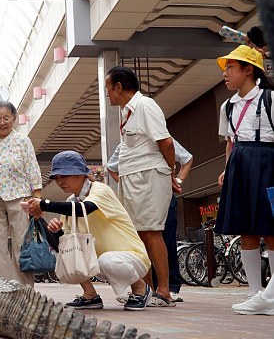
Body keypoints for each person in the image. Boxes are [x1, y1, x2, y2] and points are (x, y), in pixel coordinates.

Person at [28, 151, 152, 311]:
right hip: (98, 263)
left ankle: (140, 288)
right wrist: (48, 225)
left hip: (131, 257)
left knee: (108, 260)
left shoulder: (100, 190)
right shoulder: (71, 202)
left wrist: (44, 203)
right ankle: (90, 295)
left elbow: (84, 209)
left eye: (64, 175)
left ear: (81, 174)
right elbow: (64, 245)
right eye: (56, 177)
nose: (60, 181)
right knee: (71, 252)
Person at [104, 66, 177, 307]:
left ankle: (164, 291)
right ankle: (147, 289)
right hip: (132, 177)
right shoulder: (127, 111)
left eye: (108, 88)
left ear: (119, 87)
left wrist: (169, 171)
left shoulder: (145, 105)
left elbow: (166, 142)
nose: (107, 94)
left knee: (151, 231)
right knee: (136, 235)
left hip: (149, 176)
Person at [213, 45, 274, 315]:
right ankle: (254, 293)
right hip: (240, 163)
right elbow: (230, 141)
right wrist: (228, 169)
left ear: (248, 70)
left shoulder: (271, 99)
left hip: (269, 162)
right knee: (246, 230)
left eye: (231, 68)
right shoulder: (228, 106)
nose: (225, 74)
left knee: (271, 229)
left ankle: (270, 297)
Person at [107, 138, 193, 303]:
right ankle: (148, 289)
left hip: (161, 192)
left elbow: (187, 158)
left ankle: (170, 287)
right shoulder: (124, 143)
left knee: (165, 238)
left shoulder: (161, 136)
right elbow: (111, 168)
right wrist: (125, 184)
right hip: (139, 195)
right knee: (142, 240)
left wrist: (177, 180)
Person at [0, 101, 42, 286]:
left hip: (20, 197)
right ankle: (3, 287)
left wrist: (37, 197)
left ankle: (24, 288)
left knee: (21, 242)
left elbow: (32, 169)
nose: (2, 122)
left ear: (14, 118)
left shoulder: (23, 141)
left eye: (6, 118)